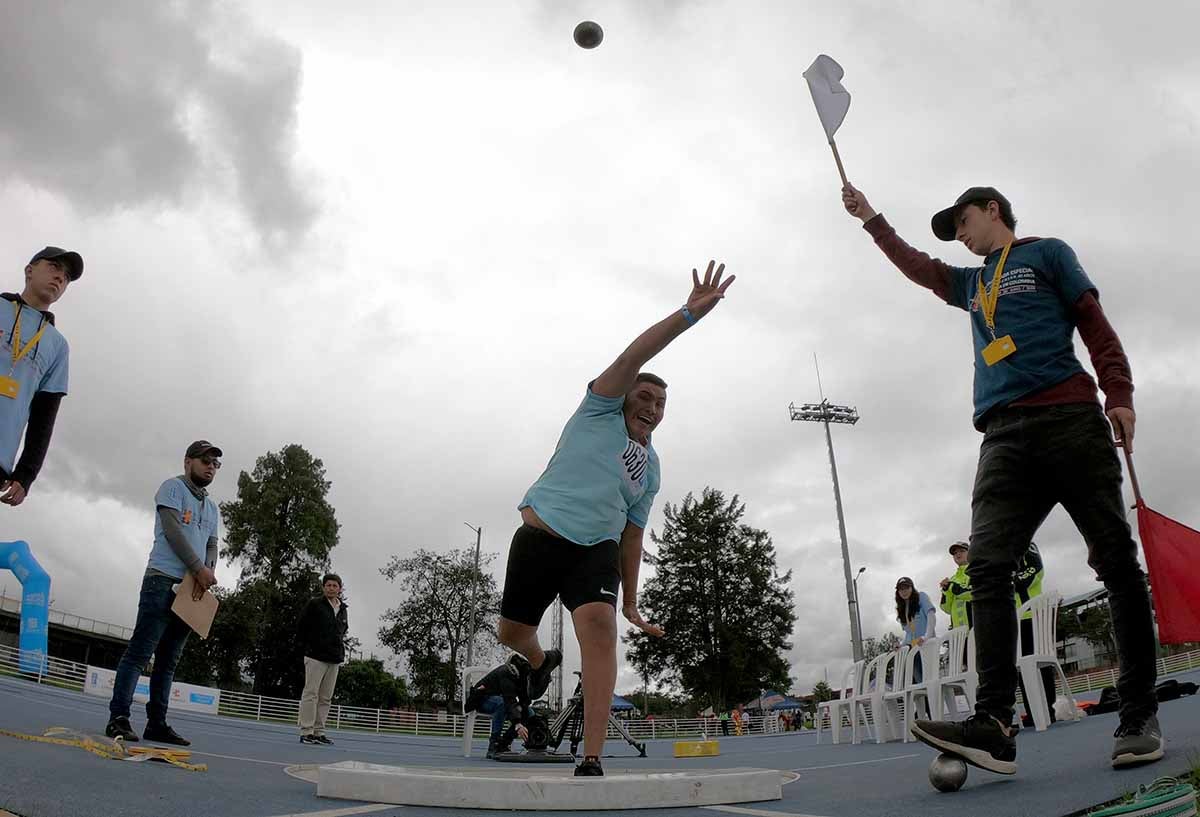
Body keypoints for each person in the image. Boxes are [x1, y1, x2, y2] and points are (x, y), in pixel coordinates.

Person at [842, 183, 1161, 773]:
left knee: (1115, 559)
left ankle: (1139, 714)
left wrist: (1119, 389)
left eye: (962, 221)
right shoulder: (971, 284)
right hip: (1002, 437)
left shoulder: (1047, 254)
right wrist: (871, 219)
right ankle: (993, 721)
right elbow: (921, 267)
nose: (959, 235)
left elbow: (1094, 321)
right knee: (986, 567)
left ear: (993, 210)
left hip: (1069, 418)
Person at [498, 261, 734, 777]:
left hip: (594, 553)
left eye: (660, 404)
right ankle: (539, 663)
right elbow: (634, 355)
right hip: (540, 538)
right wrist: (687, 316)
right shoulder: (597, 410)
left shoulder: (650, 467)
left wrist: (630, 601)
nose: (651, 407)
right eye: (644, 397)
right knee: (512, 633)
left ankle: (591, 756)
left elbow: (633, 534)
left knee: (601, 632)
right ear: (624, 397)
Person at [105, 441, 222, 746]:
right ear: (188, 461)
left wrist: (207, 571)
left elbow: (212, 543)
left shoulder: (212, 507)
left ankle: (157, 722)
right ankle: (118, 717)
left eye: (215, 464)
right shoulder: (172, 488)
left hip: (189, 589)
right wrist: (199, 568)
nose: (210, 467)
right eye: (205, 460)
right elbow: (173, 531)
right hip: (162, 580)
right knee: (140, 653)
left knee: (168, 661)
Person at [0, 247, 82, 507]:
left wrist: (26, 474)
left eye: (67, 277)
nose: (60, 278)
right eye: (54, 267)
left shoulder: (57, 345)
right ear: (29, 270)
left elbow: (44, 417)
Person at [298, 573, 349, 745]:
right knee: (311, 694)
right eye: (328, 585)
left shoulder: (343, 609)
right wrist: (309, 646)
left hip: (334, 658)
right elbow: (302, 626)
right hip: (315, 656)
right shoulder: (315, 604)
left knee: (326, 697)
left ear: (339, 589)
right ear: (323, 587)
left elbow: (343, 630)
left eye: (335, 586)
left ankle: (319, 731)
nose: (331, 588)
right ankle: (307, 731)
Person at [1014, 542, 1057, 727]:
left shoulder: (1027, 544)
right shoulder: (998, 550)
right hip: (1013, 621)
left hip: (1033, 615)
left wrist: (1013, 581)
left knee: (1042, 664)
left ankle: (1048, 709)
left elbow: (1036, 569)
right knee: (1022, 668)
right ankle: (1033, 712)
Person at [464, 654, 532, 759]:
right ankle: (494, 744)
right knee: (502, 704)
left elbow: (524, 700)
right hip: (482, 699)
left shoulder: (522, 676)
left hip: (500, 700)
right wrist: (518, 724)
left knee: (529, 712)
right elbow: (509, 699)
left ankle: (504, 743)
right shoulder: (506, 672)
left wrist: (524, 711)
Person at [896, 577, 937, 684]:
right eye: (901, 589)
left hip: (928, 644)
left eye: (906, 587)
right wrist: (901, 645)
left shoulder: (921, 597)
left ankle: (934, 699)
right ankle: (925, 699)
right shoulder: (902, 609)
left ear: (912, 588)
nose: (904, 591)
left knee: (932, 679)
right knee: (920, 682)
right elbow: (909, 634)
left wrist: (926, 636)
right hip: (914, 649)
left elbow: (931, 616)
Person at [939, 541, 973, 630]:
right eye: (955, 553)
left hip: (976, 630)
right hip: (958, 635)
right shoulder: (952, 579)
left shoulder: (976, 572)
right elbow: (946, 608)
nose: (958, 554)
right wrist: (946, 591)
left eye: (962, 551)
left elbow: (976, 594)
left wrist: (952, 587)